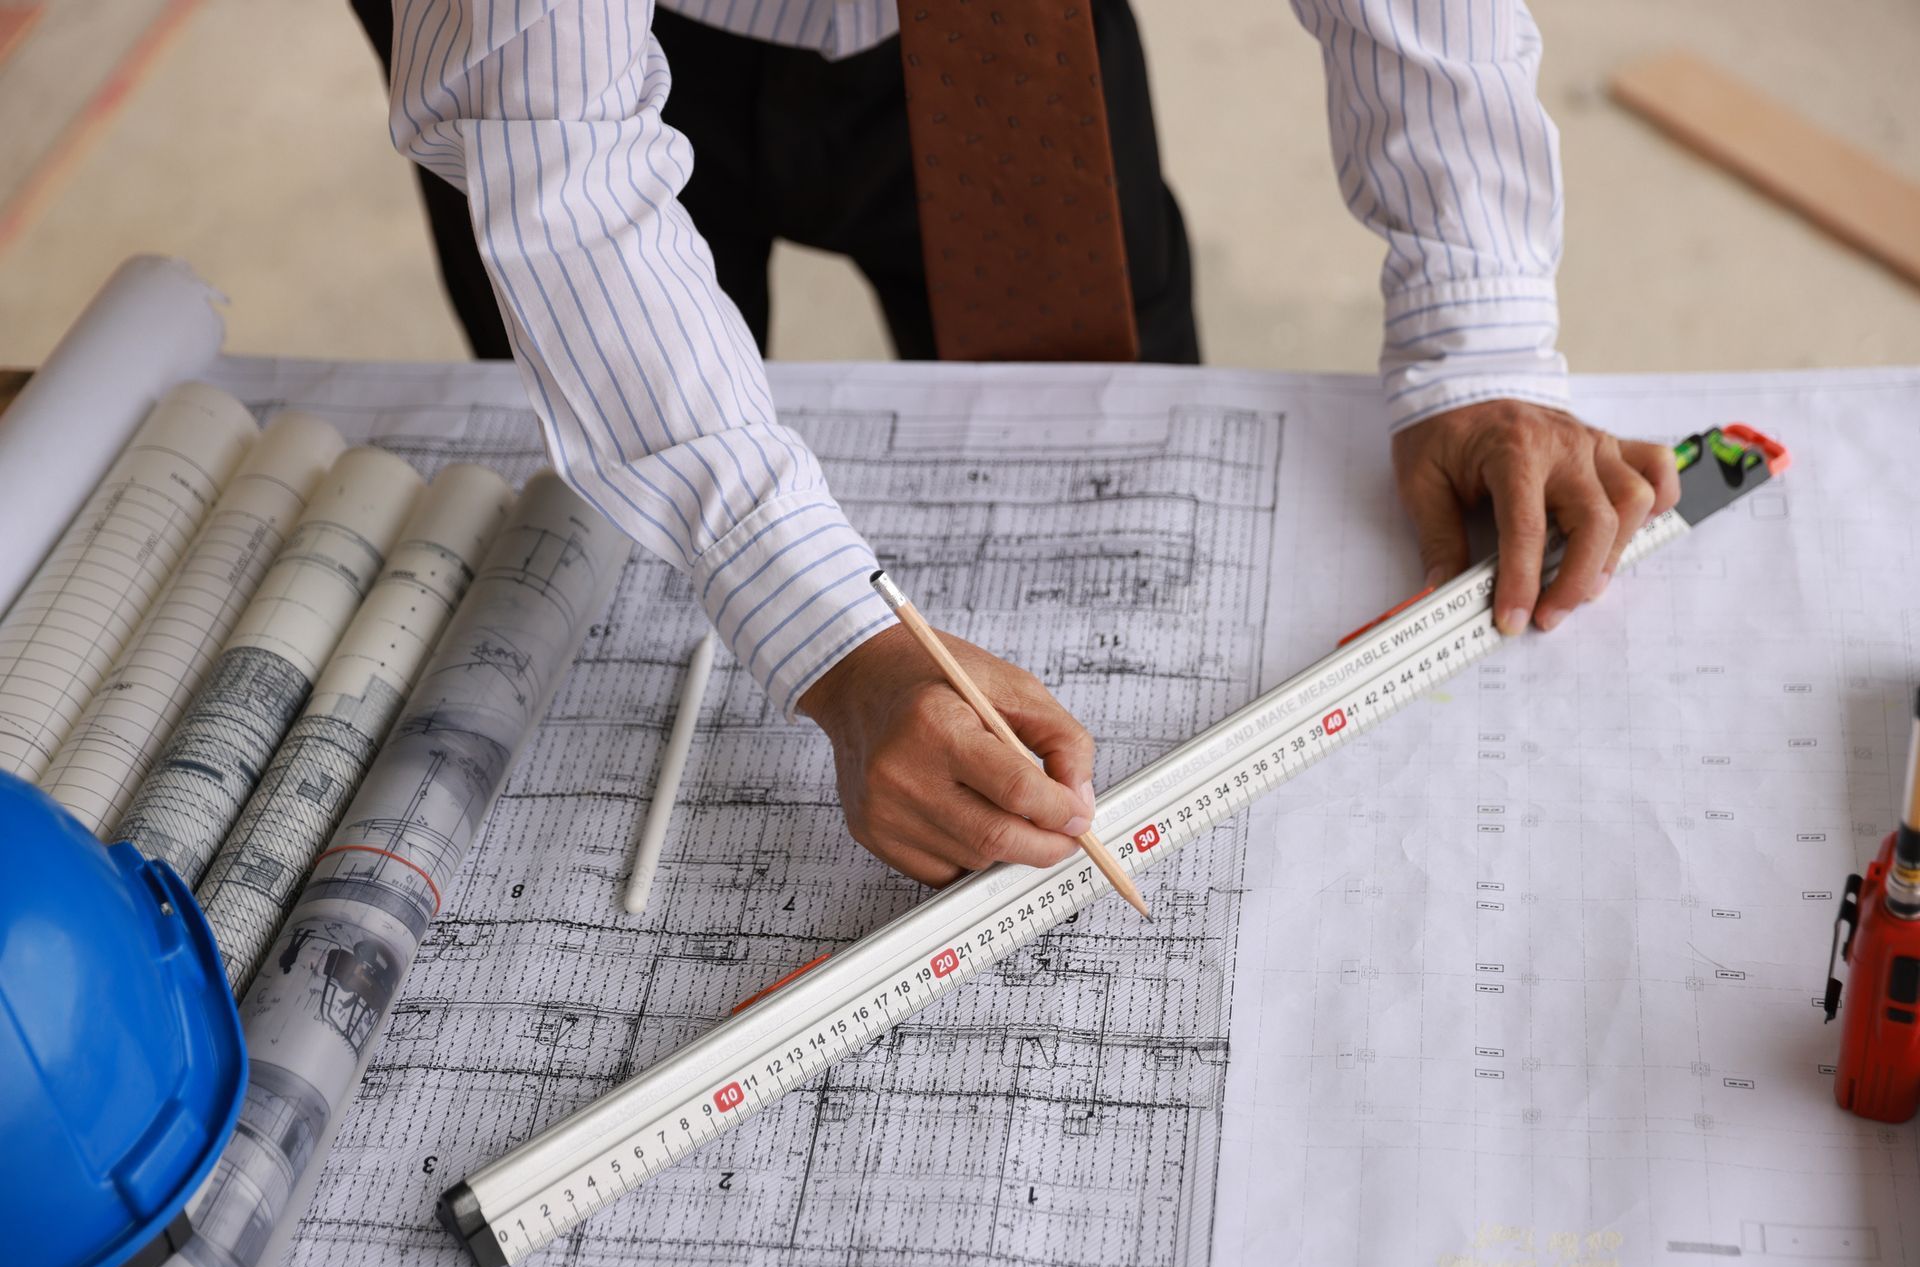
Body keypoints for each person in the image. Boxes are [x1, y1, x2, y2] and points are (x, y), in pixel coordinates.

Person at [360, 0, 1679, 889]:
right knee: (606, 530)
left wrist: (1477, 331)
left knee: (1117, 467)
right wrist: (825, 634)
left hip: (995, 31)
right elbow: (557, 156)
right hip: (560, 57)